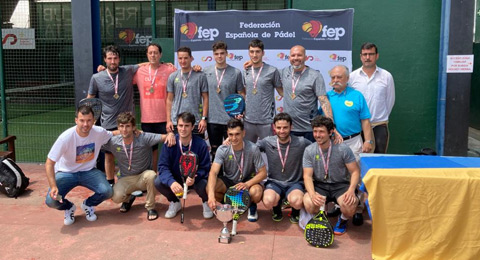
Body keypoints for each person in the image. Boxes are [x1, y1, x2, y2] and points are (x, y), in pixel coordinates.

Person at [45, 105, 114, 225]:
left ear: (94, 121)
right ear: (76, 120)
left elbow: (114, 133)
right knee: (51, 201)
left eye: (89, 120)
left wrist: (132, 131)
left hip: (89, 171)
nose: (85, 124)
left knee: (107, 191)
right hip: (66, 173)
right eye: (82, 120)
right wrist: (53, 186)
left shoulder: (99, 132)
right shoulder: (65, 138)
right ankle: (68, 207)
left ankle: (88, 204)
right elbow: (49, 163)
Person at [103, 112, 176, 221]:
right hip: (126, 179)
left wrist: (170, 134)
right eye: (122, 126)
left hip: (143, 177)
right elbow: (97, 139)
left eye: (128, 126)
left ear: (133, 127)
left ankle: (151, 207)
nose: (124, 129)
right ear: (118, 127)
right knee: (116, 197)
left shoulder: (143, 138)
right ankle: (127, 199)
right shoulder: (113, 142)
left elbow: (163, 137)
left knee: (151, 175)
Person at [87, 45, 139, 184]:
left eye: (115, 58)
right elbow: (90, 98)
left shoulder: (128, 70)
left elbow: (145, 65)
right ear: (105, 59)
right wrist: (89, 118)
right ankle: (110, 182)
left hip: (128, 122)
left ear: (119, 59)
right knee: (109, 155)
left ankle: (130, 182)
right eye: (109, 58)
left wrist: (164, 64)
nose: (113, 61)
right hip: (108, 123)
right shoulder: (97, 77)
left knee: (130, 154)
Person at [302, 116, 360, 235]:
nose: (317, 135)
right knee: (309, 202)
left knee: (350, 205)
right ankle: (321, 216)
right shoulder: (309, 150)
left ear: (330, 132)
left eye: (321, 131)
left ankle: (343, 219)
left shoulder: (343, 149)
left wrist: (351, 190)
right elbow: (307, 176)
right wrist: (313, 194)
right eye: (315, 131)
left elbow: (355, 171)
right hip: (320, 186)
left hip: (340, 185)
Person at [154, 112, 213, 219]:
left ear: (192, 127)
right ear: (177, 126)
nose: (183, 129)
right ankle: (174, 202)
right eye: (180, 125)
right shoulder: (170, 143)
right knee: (158, 182)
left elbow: (206, 168)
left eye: (187, 126)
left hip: (193, 179)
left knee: (204, 183)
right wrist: (171, 182)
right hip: (176, 178)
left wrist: (195, 176)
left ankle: (205, 202)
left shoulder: (201, 144)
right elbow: (163, 167)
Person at [207, 118, 267, 222]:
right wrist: (211, 196)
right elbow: (213, 172)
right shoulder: (223, 149)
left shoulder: (253, 148)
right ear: (227, 134)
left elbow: (263, 173)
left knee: (257, 193)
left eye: (237, 134)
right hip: (229, 181)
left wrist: (247, 184)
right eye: (231, 134)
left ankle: (251, 206)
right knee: (210, 188)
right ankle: (226, 206)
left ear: (244, 133)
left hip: (247, 181)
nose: (234, 138)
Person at [257, 113, 311, 223]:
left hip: (294, 183)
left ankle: (295, 212)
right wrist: (230, 142)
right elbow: (250, 148)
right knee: (268, 201)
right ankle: (277, 208)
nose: (282, 131)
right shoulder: (267, 141)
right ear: (274, 128)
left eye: (285, 127)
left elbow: (317, 148)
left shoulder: (301, 142)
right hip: (274, 182)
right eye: (279, 127)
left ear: (291, 127)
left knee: (297, 201)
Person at [133, 43, 177, 172]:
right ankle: (152, 175)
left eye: (156, 52)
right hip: (147, 118)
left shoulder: (169, 70)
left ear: (160, 54)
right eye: (150, 53)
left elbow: (184, 76)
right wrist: (103, 68)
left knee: (170, 147)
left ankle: (169, 174)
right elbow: (122, 72)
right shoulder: (139, 71)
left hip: (165, 117)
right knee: (151, 150)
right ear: (147, 55)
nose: (153, 55)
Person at [280, 45, 333, 142]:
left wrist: (331, 125)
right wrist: (253, 63)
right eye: (293, 55)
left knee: (312, 157)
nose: (296, 58)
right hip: (289, 128)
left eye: (299, 55)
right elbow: (267, 73)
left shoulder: (315, 75)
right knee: (291, 157)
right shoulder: (283, 72)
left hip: (309, 129)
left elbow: (323, 100)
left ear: (306, 57)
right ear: (289, 58)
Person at [349, 42, 395, 153]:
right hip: (358, 126)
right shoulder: (352, 77)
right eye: (364, 54)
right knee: (358, 159)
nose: (367, 57)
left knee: (379, 159)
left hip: (379, 125)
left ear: (377, 56)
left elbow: (390, 100)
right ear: (360, 57)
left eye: (371, 54)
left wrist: (380, 117)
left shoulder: (386, 76)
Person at [204, 41, 244, 160]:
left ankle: (232, 177)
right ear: (213, 55)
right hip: (212, 119)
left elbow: (241, 94)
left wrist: (240, 111)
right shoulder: (206, 72)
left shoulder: (236, 72)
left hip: (230, 119)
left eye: (222, 53)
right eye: (217, 54)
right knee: (215, 152)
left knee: (233, 151)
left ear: (227, 54)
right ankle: (218, 176)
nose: (219, 56)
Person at [327, 65, 373, 160]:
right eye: (333, 77)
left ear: (347, 78)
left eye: (339, 77)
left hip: (353, 142)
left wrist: (368, 141)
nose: (335, 80)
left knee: (355, 172)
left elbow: (365, 120)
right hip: (332, 141)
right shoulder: (326, 97)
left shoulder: (357, 95)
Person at [243, 39, 283, 143]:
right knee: (247, 153)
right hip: (248, 121)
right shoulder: (245, 71)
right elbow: (243, 93)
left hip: (266, 122)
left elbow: (281, 92)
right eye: (252, 52)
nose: (254, 55)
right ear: (248, 53)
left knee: (271, 153)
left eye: (257, 51)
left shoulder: (272, 71)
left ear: (263, 53)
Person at [166, 46, 209, 138]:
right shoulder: (172, 76)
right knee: (178, 150)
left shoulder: (200, 76)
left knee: (196, 150)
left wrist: (204, 118)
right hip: (176, 121)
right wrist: (168, 120)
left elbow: (205, 98)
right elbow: (169, 100)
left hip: (196, 121)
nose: (183, 61)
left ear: (191, 58)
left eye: (186, 58)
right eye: (180, 58)